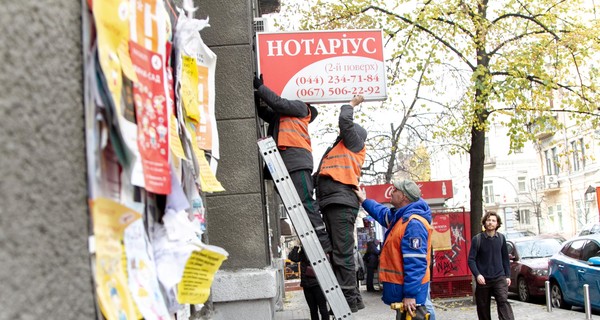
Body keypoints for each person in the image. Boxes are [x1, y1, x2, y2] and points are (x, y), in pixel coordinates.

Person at [254, 75, 332, 253]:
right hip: (287, 162)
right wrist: (259, 95)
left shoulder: (301, 107)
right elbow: (267, 112)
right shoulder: (284, 117)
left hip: (296, 162)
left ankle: (322, 241)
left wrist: (260, 87)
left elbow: (279, 103)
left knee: (305, 201)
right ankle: (313, 240)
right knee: (296, 204)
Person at [355, 179, 436, 320]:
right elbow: (382, 213)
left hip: (412, 296)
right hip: (406, 291)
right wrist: (364, 200)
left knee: (422, 313)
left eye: (395, 190)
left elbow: (416, 263)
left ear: (403, 196)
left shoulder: (413, 224)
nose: (391, 192)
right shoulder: (401, 217)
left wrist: (410, 295)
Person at [315, 94, 367, 312]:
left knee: (342, 253)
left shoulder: (354, 142)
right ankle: (350, 299)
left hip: (340, 203)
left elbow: (345, 123)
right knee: (339, 251)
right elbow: (322, 174)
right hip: (333, 202)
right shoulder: (339, 148)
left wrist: (351, 105)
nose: (341, 132)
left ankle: (347, 300)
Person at [468, 211, 514, 320]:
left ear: (497, 224)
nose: (490, 223)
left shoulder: (501, 238)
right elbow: (471, 260)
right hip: (483, 279)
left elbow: (505, 258)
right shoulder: (477, 239)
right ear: (484, 222)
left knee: (503, 301)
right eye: (488, 220)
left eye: (493, 220)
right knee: (483, 308)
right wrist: (478, 275)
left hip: (499, 277)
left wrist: (507, 275)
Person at [288, 245, 329, 320]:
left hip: (318, 284)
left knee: (322, 308)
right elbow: (293, 258)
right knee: (313, 310)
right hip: (307, 285)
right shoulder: (303, 251)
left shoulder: (318, 249)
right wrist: (296, 247)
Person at [353, 245, 366, 310]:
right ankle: (357, 297)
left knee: (352, 283)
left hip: (349, 270)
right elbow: (361, 262)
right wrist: (363, 270)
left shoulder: (347, 253)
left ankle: (354, 297)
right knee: (356, 284)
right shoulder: (357, 253)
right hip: (356, 270)